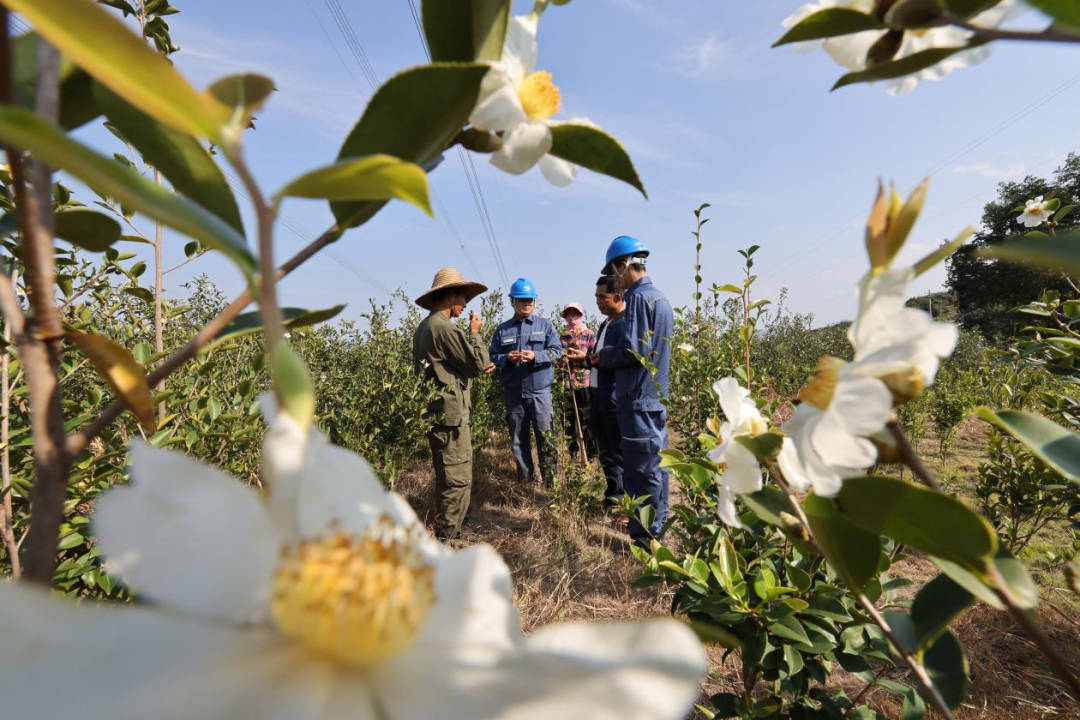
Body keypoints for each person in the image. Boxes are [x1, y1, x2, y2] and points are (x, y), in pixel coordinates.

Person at [596, 236, 673, 546]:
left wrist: (606, 356)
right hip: (651, 400)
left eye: (614, 273)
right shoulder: (660, 298)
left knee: (641, 474)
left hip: (639, 401)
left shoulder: (639, 299)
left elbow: (635, 352)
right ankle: (658, 534)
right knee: (655, 470)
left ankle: (646, 541)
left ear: (622, 265)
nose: (615, 280)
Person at [412, 267, 492, 540]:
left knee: (446, 477)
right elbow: (478, 365)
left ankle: (447, 533)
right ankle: (449, 540)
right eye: (463, 297)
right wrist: (475, 334)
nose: (466, 304)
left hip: (438, 414)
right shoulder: (443, 327)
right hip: (450, 418)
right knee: (456, 480)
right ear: (449, 296)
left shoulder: (425, 327)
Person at [490, 277, 562, 486]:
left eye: (530, 300)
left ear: (535, 301)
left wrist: (536, 356)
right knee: (518, 440)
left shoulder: (546, 325)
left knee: (546, 438)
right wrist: (507, 358)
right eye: (522, 300)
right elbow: (493, 355)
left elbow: (557, 351)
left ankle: (550, 484)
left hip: (540, 392)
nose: (527, 303)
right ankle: (526, 482)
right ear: (512, 301)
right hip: (514, 393)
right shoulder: (502, 330)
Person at [588, 276, 625, 506]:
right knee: (605, 451)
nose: (599, 302)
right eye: (597, 297)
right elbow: (599, 358)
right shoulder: (606, 324)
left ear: (618, 297)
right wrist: (583, 359)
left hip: (613, 398)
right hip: (598, 396)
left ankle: (622, 500)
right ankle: (612, 495)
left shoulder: (624, 324)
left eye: (603, 297)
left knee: (617, 451)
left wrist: (602, 360)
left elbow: (624, 357)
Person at [559, 301, 595, 461]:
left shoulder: (588, 333)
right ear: (565, 316)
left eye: (575, 313)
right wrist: (562, 360)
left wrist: (582, 358)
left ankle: (589, 453)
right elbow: (556, 357)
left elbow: (595, 357)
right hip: (567, 382)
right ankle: (572, 454)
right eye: (569, 313)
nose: (572, 317)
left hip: (585, 382)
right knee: (570, 420)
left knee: (587, 418)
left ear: (580, 315)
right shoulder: (562, 336)